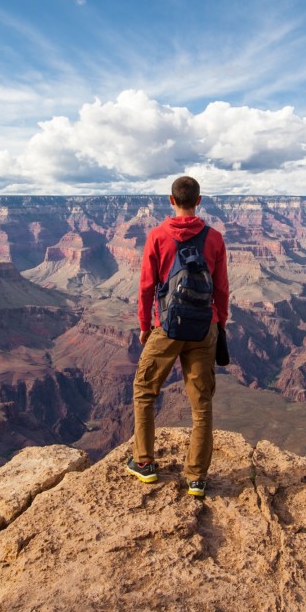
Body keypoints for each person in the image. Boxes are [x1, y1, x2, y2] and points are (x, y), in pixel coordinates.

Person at [127, 176, 229, 498]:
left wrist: (145, 326)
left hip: (168, 328)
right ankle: (196, 478)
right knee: (201, 406)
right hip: (203, 329)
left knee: (144, 390)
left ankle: (145, 463)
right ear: (199, 200)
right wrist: (219, 324)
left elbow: (146, 286)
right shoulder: (214, 239)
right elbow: (222, 289)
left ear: (171, 200)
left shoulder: (157, 236)